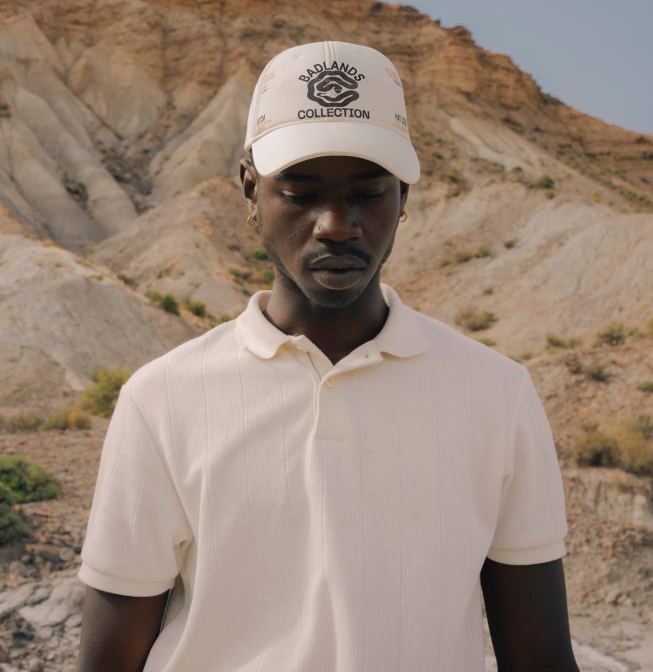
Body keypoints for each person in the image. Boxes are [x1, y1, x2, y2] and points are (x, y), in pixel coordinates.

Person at [76, 40, 580, 671]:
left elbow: (540, 658)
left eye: (368, 192)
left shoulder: (496, 395)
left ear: (405, 196)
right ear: (249, 189)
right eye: (301, 190)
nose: (336, 223)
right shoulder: (163, 400)